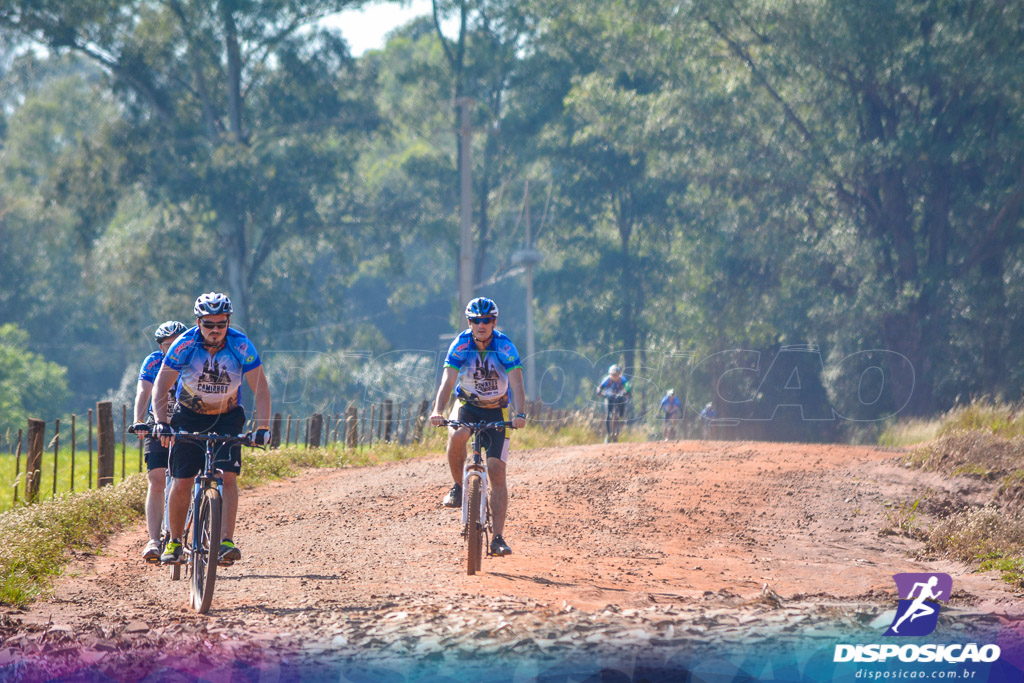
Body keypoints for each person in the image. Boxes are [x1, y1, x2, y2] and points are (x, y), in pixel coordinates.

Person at [152, 292, 272, 566]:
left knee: (228, 477)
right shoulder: (184, 345)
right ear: (198, 322)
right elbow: (161, 385)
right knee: (182, 480)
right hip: (189, 417)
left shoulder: (241, 346)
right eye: (209, 324)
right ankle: (175, 541)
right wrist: (162, 422)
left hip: (228, 417)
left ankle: (226, 542)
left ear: (229, 321)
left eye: (221, 324)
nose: (215, 330)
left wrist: (262, 427)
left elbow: (261, 389)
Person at [429, 297, 527, 557]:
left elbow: (517, 382)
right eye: (475, 321)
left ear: (494, 322)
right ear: (469, 322)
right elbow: (447, 382)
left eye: (486, 321)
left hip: (497, 408)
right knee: (459, 434)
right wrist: (438, 410)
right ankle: (458, 487)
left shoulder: (505, 346)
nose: (481, 325)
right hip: (468, 405)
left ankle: (497, 537)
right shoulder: (461, 344)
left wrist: (521, 413)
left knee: (496, 470)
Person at [128, 320, 188, 562]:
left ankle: (191, 534)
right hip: (158, 423)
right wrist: (139, 420)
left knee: (188, 478)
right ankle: (153, 540)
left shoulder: (193, 361)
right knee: (156, 478)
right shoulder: (153, 361)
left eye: (176, 344)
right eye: (166, 345)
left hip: (187, 424)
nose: (171, 348)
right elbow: (143, 391)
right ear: (160, 346)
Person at [596, 364, 631, 443]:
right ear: (610, 374)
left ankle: (621, 418)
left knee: (622, 402)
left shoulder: (623, 379)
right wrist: (599, 392)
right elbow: (600, 387)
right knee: (608, 415)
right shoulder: (607, 380)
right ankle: (608, 435)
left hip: (620, 395)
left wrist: (628, 392)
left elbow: (628, 386)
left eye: (617, 374)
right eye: (613, 375)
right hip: (610, 397)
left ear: (619, 374)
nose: (615, 377)